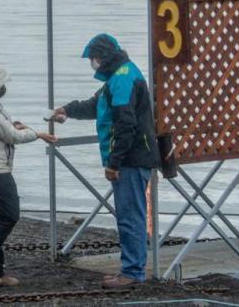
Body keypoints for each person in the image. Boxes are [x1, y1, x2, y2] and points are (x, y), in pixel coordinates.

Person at [51, 34, 159, 288]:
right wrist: (67, 110)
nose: (94, 64)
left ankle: (132, 272)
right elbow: (95, 104)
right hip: (132, 158)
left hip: (131, 160)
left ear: (105, 56)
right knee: (130, 213)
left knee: (130, 215)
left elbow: (125, 124)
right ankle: (133, 268)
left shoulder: (122, 78)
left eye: (95, 59)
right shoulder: (119, 75)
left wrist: (114, 163)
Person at [0, 61, 58, 288]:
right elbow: (11, 136)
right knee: (9, 216)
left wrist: (16, 124)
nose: (3, 87)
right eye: (1, 83)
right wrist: (36, 134)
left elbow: (2, 127)